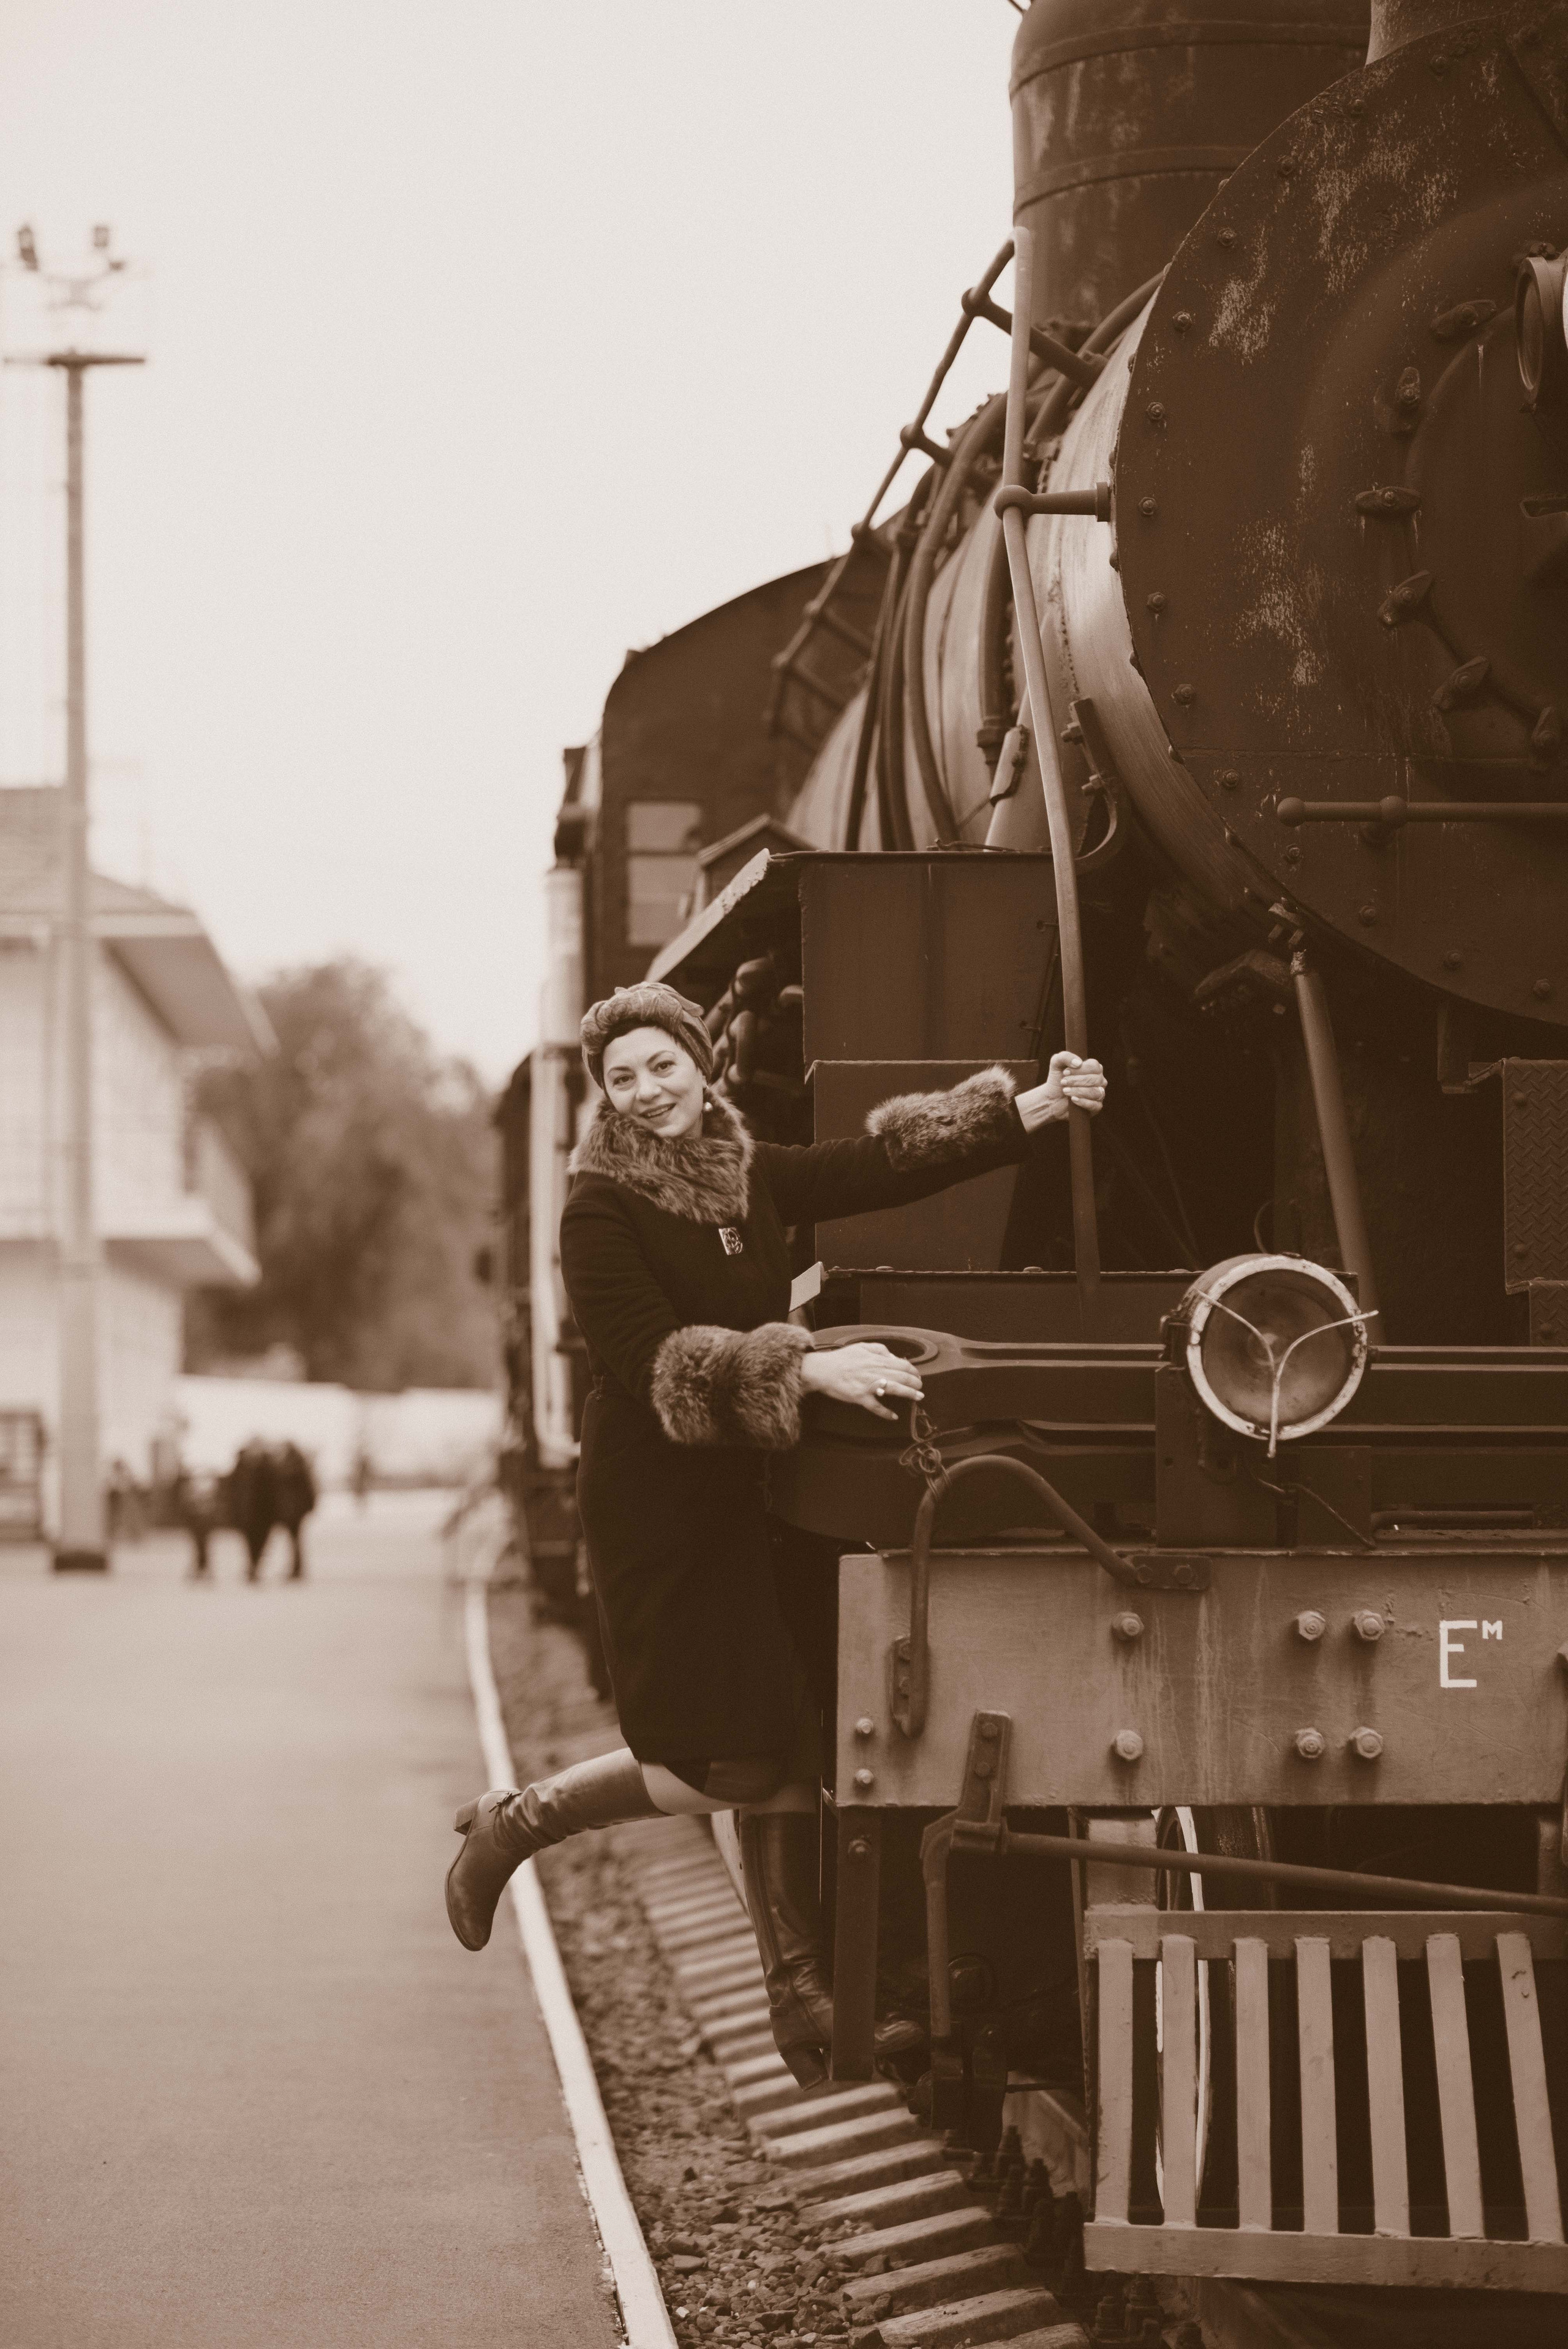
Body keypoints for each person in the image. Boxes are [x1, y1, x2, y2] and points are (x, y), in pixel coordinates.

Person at [446, 980, 1106, 2086]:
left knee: (785, 1740)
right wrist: (807, 1367)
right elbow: (652, 1360)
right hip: (658, 1501)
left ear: (701, 1062)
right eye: (622, 1077)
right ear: (604, 1095)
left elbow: (868, 1164)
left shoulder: (740, 1167)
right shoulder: (598, 1205)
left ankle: (801, 1993)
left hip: (743, 1492)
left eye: (664, 1064)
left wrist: (1026, 1109)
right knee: (716, 1757)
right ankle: (520, 1822)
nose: (647, 1090)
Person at [226, 1440, 276, 1583]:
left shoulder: (268, 1466)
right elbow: (232, 1490)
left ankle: (255, 1566)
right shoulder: (241, 1466)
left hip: (264, 1513)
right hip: (246, 1513)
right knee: (249, 1542)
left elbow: (274, 1492)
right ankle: (252, 1566)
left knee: (261, 1542)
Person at [272, 1442, 317, 1581]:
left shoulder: (293, 1466)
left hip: (294, 1511)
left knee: (294, 1540)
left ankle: (296, 1569)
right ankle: (295, 1568)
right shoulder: (297, 1465)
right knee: (294, 1541)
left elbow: (307, 1491)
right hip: (293, 1510)